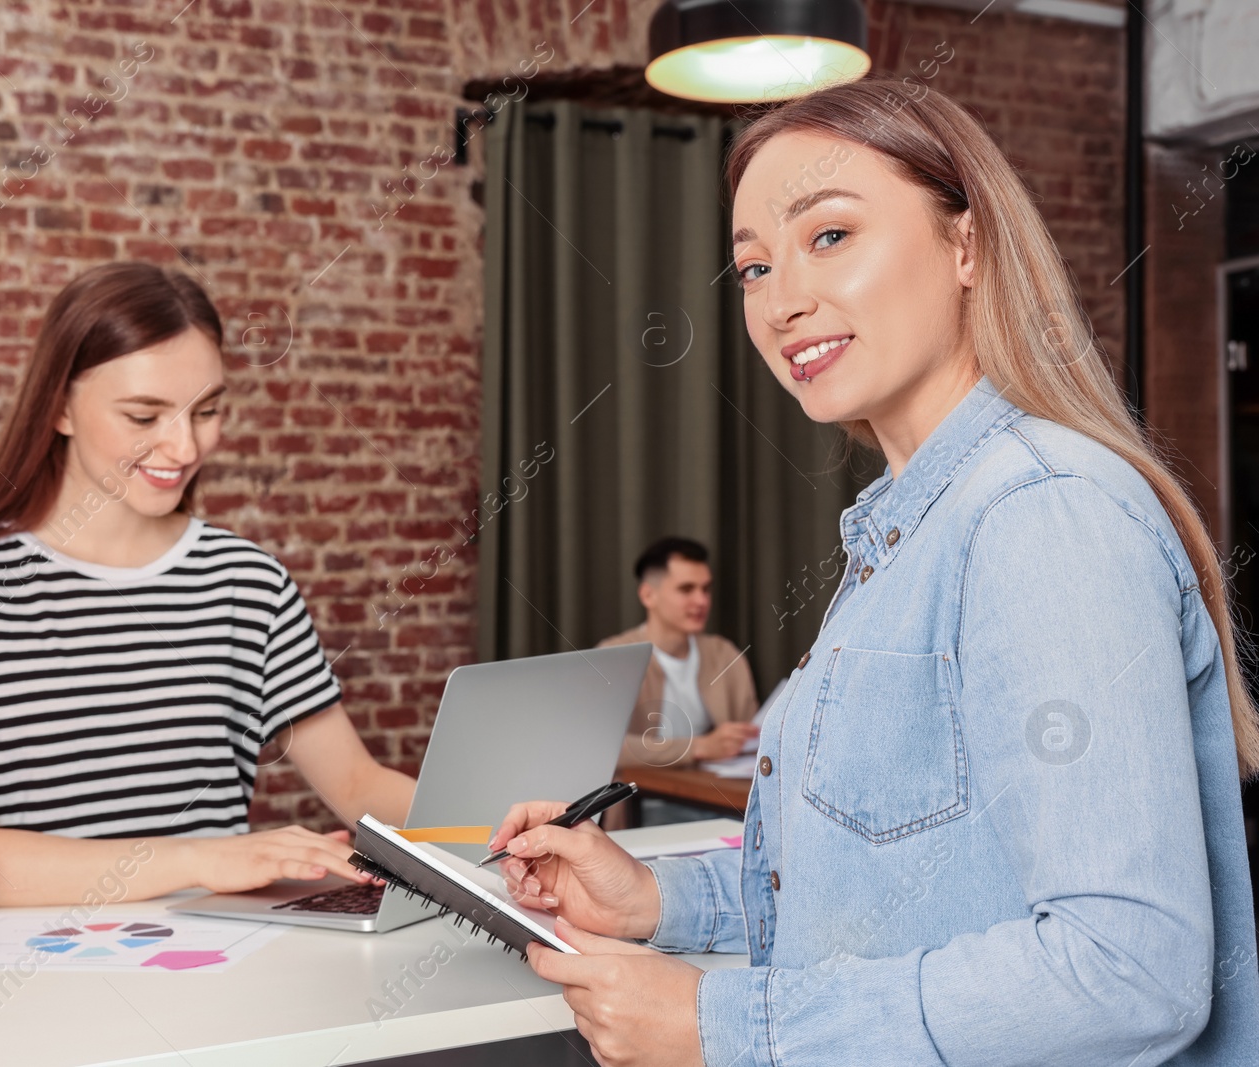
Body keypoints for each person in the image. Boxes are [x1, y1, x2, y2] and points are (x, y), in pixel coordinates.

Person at [488, 77, 1259, 1066]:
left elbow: (1125, 966)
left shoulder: (1040, 513)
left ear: (966, 243)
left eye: (829, 237)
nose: (782, 301)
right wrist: (650, 898)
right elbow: (889, 892)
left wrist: (724, 1025)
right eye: (754, 267)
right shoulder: (908, 534)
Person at [0, 262, 416, 907]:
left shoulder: (248, 583)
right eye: (143, 416)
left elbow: (358, 786)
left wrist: (508, 825)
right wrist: (201, 858)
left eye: (207, 411)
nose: (182, 447)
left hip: (214, 966)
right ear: (60, 406)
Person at [597, 537, 759, 770]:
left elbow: (753, 737)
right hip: (643, 801)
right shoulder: (614, 656)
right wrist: (700, 747)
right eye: (686, 589)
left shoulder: (725, 654)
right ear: (647, 596)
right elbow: (604, 747)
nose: (701, 601)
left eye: (706, 589)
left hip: (718, 797)